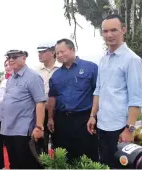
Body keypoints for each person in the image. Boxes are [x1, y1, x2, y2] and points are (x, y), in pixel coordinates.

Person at [87, 14, 142, 168]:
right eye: (105, 31)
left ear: (123, 30)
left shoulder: (132, 60)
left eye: (114, 30)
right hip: (102, 124)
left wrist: (129, 129)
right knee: (105, 164)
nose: (109, 35)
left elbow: (136, 99)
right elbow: (98, 90)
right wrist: (93, 115)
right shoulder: (104, 58)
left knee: (119, 166)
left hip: (120, 127)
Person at [48, 38, 99, 162]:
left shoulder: (91, 68)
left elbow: (98, 93)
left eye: (62, 51)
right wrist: (50, 118)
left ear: (72, 49)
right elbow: (52, 97)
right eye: (57, 53)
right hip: (62, 120)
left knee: (87, 156)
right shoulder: (56, 75)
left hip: (84, 119)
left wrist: (93, 115)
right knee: (64, 156)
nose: (59, 55)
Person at [0, 49, 45, 169]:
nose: (11, 60)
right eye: (9, 57)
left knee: (28, 163)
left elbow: (40, 102)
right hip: (9, 129)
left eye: (15, 57)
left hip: (24, 130)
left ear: (24, 58)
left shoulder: (33, 77)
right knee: (14, 163)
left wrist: (39, 127)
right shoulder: (10, 79)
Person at [35, 41, 61, 152]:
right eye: (39, 52)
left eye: (43, 51)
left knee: (59, 143)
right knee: (41, 143)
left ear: (52, 52)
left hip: (58, 111)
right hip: (41, 111)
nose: (39, 54)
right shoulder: (36, 71)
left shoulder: (61, 68)